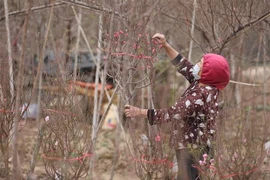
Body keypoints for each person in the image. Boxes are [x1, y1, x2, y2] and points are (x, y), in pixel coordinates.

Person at [124, 33, 230, 180]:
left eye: (200, 63)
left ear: (208, 72)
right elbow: (183, 65)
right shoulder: (203, 82)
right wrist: (165, 45)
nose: (196, 65)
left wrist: (139, 112)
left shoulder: (200, 96)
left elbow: (172, 113)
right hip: (193, 145)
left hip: (193, 148)